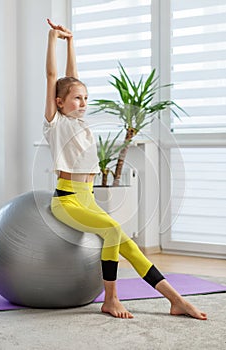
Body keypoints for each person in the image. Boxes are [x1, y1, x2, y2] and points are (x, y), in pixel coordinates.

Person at [43, 19, 207, 320]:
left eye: (86, 98)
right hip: (66, 201)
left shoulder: (80, 122)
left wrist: (72, 41)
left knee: (126, 242)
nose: (83, 102)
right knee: (112, 230)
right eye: (77, 98)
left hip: (87, 198)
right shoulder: (56, 124)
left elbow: (72, 76)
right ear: (59, 103)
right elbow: (54, 76)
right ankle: (111, 299)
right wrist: (53, 39)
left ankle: (176, 300)